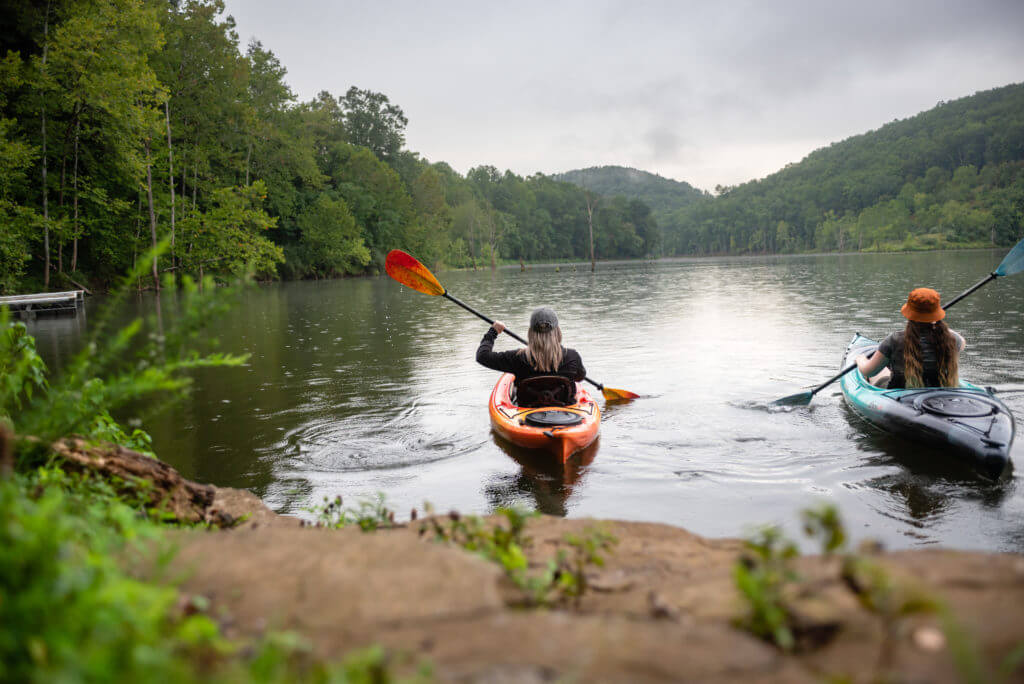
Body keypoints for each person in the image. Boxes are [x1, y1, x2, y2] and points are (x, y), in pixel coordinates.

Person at [856, 287, 965, 389]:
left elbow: (869, 372)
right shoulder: (952, 339)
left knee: (881, 372)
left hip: (899, 395)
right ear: (937, 314)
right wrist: (940, 326)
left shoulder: (894, 340)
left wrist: (860, 359)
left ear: (909, 313)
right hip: (940, 394)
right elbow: (962, 343)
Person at [476, 307, 586, 392]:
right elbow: (580, 377)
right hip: (567, 416)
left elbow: (482, 356)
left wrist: (493, 331)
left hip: (527, 415)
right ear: (557, 331)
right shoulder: (572, 356)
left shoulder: (517, 357)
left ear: (531, 332)